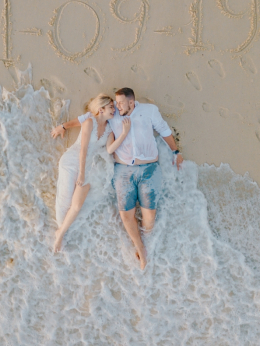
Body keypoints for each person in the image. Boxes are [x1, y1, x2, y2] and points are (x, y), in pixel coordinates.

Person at [51, 88, 183, 269]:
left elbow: (161, 131)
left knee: (147, 216)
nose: (116, 108)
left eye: (118, 104)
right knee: (70, 202)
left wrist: (175, 151)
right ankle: (61, 234)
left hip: (123, 168)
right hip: (98, 167)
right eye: (113, 105)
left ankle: (148, 241)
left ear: (131, 102)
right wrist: (63, 126)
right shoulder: (101, 120)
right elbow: (83, 124)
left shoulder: (132, 117)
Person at [53, 94, 130, 252]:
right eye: (111, 107)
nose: (114, 110)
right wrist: (81, 174)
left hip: (88, 168)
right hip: (72, 163)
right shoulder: (89, 122)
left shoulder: (109, 129)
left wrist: (123, 134)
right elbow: (83, 149)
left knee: (76, 206)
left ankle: (60, 234)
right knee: (65, 202)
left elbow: (109, 149)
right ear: (101, 109)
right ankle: (60, 231)